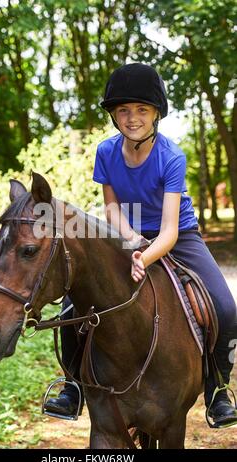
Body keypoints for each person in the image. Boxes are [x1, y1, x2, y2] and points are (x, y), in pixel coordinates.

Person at [44, 63, 237, 427]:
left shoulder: (172, 157)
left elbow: (168, 232)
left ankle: (217, 389)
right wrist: (130, 242)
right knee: (73, 304)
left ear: (156, 114)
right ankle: (73, 387)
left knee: (226, 308)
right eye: (123, 110)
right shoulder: (106, 152)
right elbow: (112, 207)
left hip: (176, 235)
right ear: (115, 116)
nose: (132, 118)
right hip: (125, 232)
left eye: (141, 110)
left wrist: (143, 257)